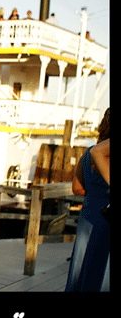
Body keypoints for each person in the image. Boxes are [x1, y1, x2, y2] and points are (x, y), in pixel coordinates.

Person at [65, 108, 110, 292]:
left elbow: (76, 188)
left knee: (80, 262)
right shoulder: (104, 155)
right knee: (100, 265)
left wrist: (93, 190)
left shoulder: (87, 153)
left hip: (88, 212)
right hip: (105, 213)